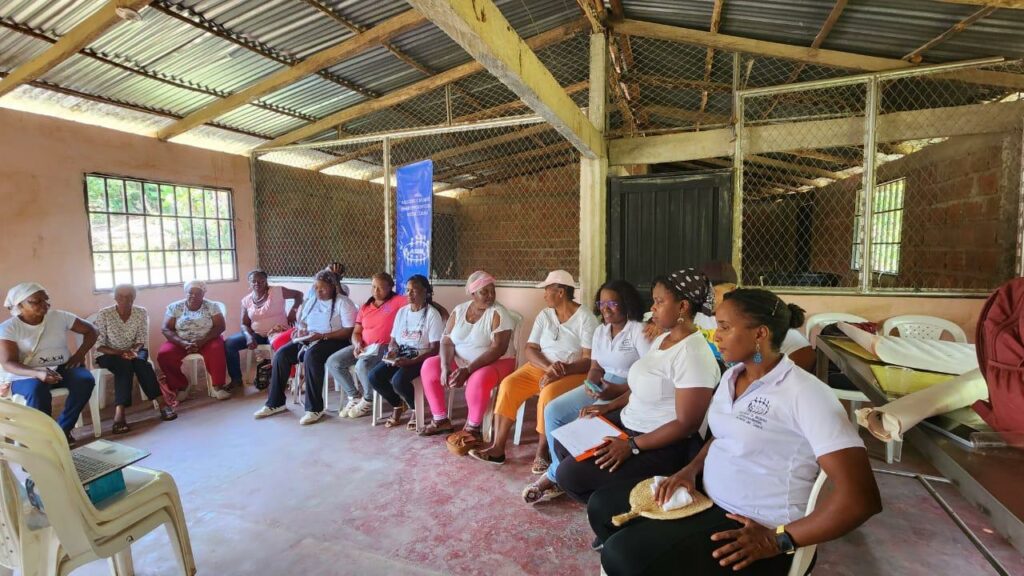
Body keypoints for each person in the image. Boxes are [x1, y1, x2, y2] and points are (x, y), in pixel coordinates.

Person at [588, 288, 882, 576]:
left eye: (725, 328)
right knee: (602, 506)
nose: (716, 336)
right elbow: (723, 434)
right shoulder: (733, 375)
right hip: (707, 500)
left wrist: (780, 540)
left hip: (753, 530)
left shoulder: (807, 395)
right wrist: (690, 470)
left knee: (624, 555)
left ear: (760, 334)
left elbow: (861, 498)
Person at [554, 269, 721, 503]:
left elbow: (687, 424)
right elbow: (640, 387)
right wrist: (608, 407)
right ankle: (613, 505)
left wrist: (631, 445)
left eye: (659, 301)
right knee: (563, 441)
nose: (652, 308)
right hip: (629, 423)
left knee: (568, 475)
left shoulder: (693, 353)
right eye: (654, 301)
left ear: (683, 307)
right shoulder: (664, 339)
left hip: (658, 442)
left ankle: (620, 507)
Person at [522, 279, 651, 504]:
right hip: (604, 385)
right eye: (601, 304)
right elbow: (595, 367)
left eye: (612, 303)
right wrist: (592, 385)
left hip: (630, 390)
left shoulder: (638, 330)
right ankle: (559, 470)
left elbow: (649, 376)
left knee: (589, 419)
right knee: (553, 410)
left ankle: (554, 476)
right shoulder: (602, 331)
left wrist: (616, 391)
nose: (606, 309)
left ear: (626, 303)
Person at [469, 270, 600, 467]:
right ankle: (498, 448)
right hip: (542, 367)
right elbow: (530, 349)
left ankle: (542, 451)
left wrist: (562, 369)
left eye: (547, 290)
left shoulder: (585, 318)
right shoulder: (545, 315)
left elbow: (589, 360)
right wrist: (549, 368)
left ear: (561, 292)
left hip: (573, 372)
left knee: (548, 394)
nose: (544, 295)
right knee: (508, 385)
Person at [418, 271, 517, 444]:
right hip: (461, 361)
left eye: (492, 291)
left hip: (497, 362)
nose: (490, 295)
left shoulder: (499, 313)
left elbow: (498, 349)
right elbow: (447, 340)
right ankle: (440, 419)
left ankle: (473, 427)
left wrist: (469, 370)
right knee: (429, 366)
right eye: (484, 292)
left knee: (478, 379)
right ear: (473, 293)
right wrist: (445, 366)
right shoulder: (460, 310)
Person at [253, 270, 357, 425]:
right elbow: (303, 322)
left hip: (335, 340)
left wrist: (322, 336)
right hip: (310, 338)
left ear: (333, 287)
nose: (318, 292)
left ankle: (314, 409)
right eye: (316, 288)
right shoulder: (311, 301)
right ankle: (275, 403)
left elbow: (348, 331)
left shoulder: (344, 303)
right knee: (282, 355)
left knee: (312, 356)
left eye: (322, 289)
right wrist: (300, 331)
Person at [0, 283, 96, 445]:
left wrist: (79, 355)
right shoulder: (9, 328)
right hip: (25, 374)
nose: (44, 305)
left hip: (61, 367)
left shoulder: (59, 317)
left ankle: (62, 430)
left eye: (45, 300)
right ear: (19, 306)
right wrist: (38, 373)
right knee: (38, 389)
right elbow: (8, 363)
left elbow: (92, 330)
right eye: (35, 302)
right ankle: (40, 441)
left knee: (85, 381)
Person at [697, 261, 815, 373]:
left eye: (712, 291)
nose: (706, 296)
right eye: (702, 290)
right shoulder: (694, 316)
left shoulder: (753, 317)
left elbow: (801, 351)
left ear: (731, 288)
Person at [93, 284, 176, 432]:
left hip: (134, 350)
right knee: (124, 366)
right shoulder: (104, 314)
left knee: (142, 364)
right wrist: (120, 353)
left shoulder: (140, 312)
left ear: (134, 297)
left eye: (129, 296)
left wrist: (133, 351)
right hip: (108, 353)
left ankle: (162, 404)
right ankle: (120, 413)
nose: (125, 300)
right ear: (115, 297)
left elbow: (141, 339)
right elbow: (99, 345)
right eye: (121, 297)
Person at [327, 273, 407, 419]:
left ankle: (368, 399)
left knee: (361, 366)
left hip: (384, 347)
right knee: (333, 362)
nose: (376, 291)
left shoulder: (398, 301)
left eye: (381, 288)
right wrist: (357, 344)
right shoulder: (365, 307)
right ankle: (354, 396)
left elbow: (421, 301)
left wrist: (442, 312)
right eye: (374, 287)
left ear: (390, 287)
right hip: (364, 346)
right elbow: (356, 331)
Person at [224, 270, 303, 389]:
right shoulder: (246, 300)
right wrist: (248, 337)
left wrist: (293, 311)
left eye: (261, 280)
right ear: (249, 283)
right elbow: (244, 324)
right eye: (254, 281)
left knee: (282, 346)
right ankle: (236, 379)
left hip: (278, 332)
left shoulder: (277, 291)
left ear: (266, 281)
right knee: (229, 343)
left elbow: (299, 295)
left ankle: (290, 378)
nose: (257, 283)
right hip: (257, 334)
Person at [157, 280, 229, 402]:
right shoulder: (175, 307)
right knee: (164, 355)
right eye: (190, 293)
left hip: (208, 339)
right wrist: (182, 343)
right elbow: (166, 329)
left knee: (217, 349)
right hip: (181, 340)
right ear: (186, 292)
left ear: (204, 294)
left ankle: (218, 386)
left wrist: (202, 340)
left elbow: (220, 326)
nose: (194, 296)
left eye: (198, 293)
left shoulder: (212, 306)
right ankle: (181, 385)